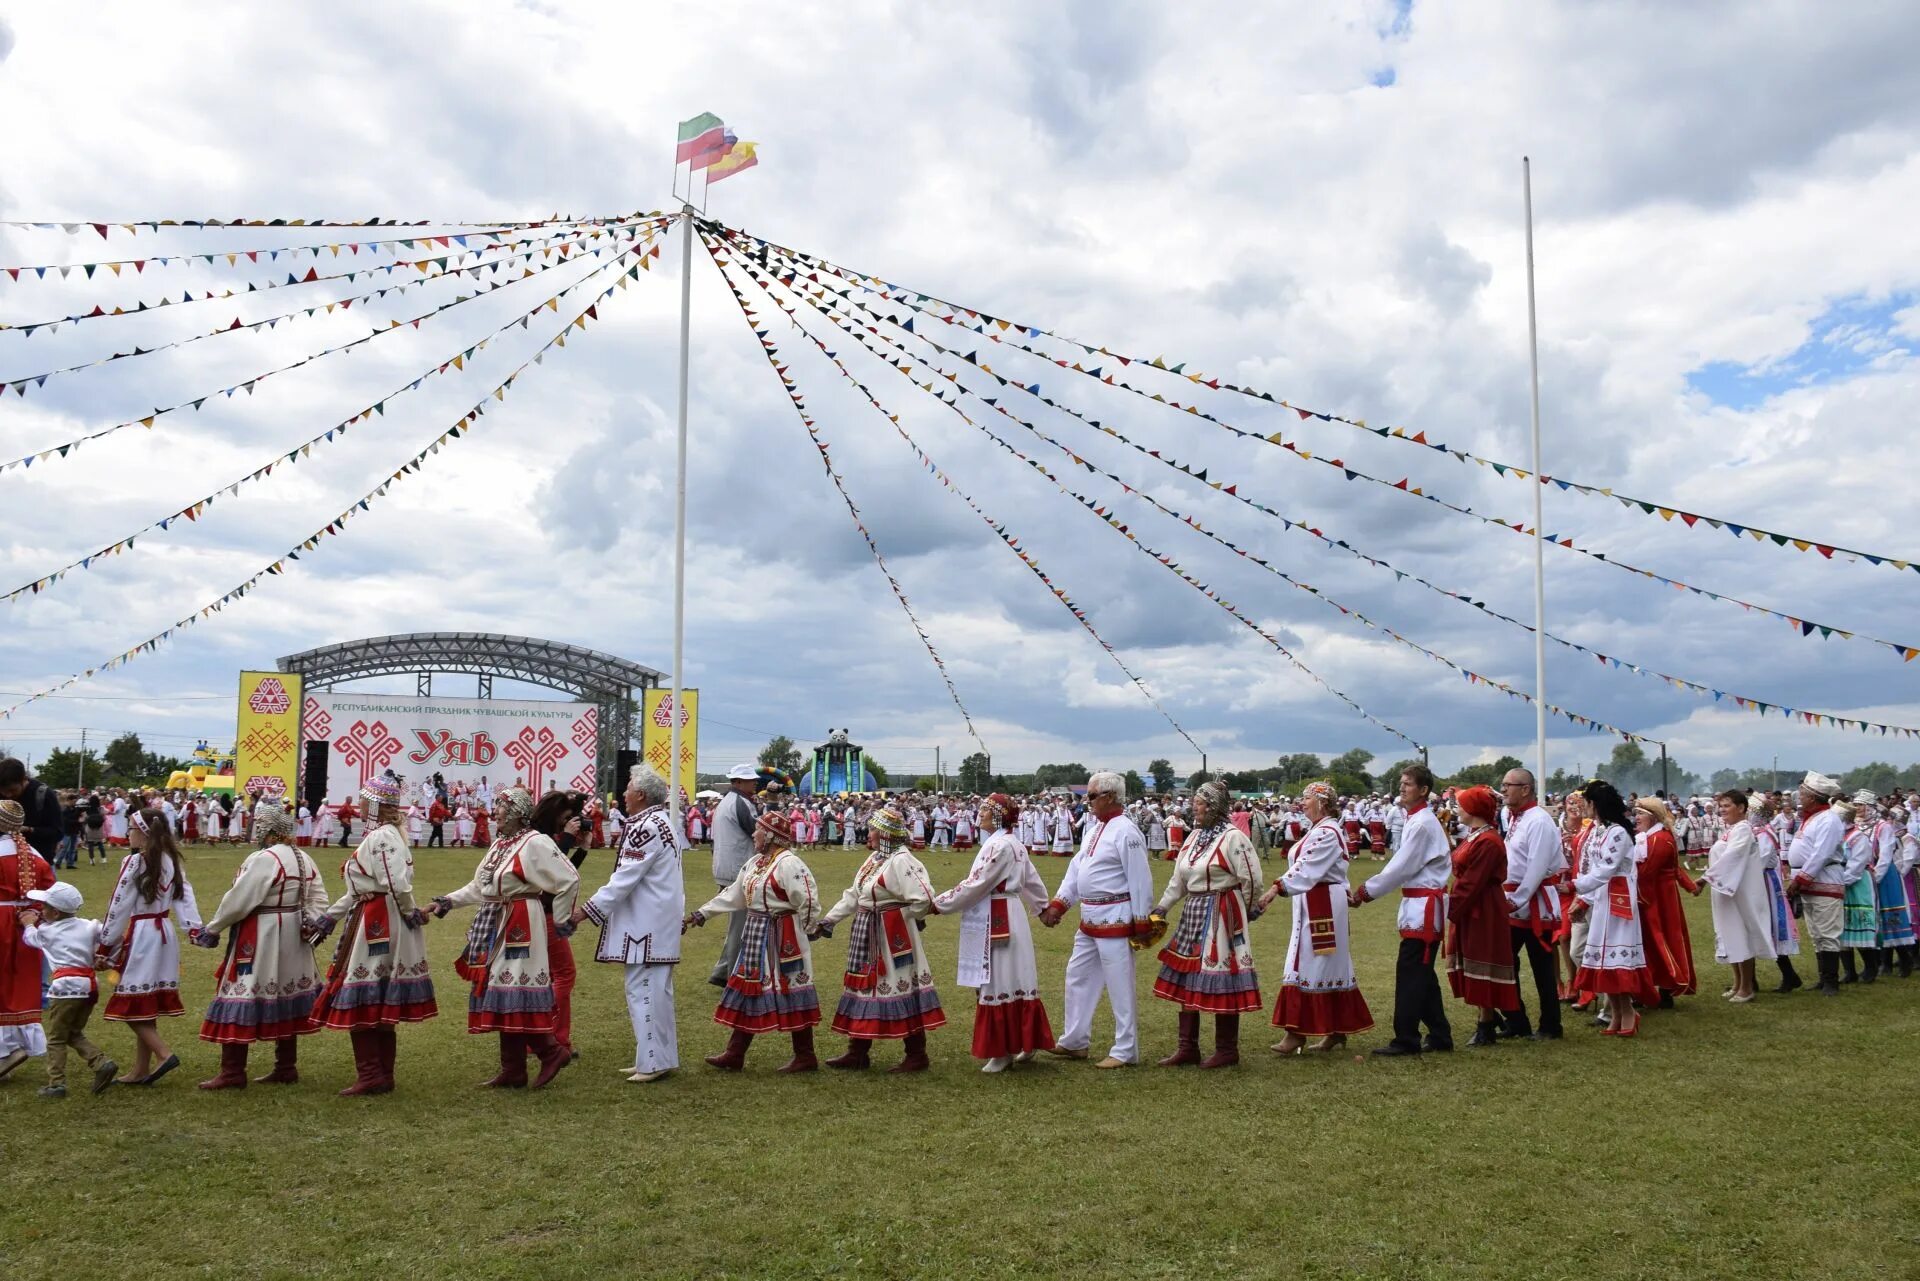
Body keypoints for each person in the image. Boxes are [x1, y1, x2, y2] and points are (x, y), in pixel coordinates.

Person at [420, 787, 579, 1089]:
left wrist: (560, 919)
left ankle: (551, 1052)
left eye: (501, 808)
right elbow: (480, 887)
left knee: (515, 987)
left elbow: (568, 878)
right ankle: (514, 1070)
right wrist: (444, 902)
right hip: (499, 920)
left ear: (519, 813)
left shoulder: (536, 843)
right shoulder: (501, 844)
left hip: (521, 920)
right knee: (502, 989)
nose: (496, 813)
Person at [307, 774, 437, 1097]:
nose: (361, 803)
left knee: (365, 993)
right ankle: (380, 1074)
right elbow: (359, 891)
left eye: (365, 798)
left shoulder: (382, 837)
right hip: (376, 915)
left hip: (379, 922)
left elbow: (393, 883)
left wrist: (409, 912)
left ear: (376, 804)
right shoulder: (389, 835)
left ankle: (372, 1075)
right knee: (376, 997)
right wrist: (329, 918)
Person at [192, 800, 330, 1088]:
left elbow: (239, 900)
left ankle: (232, 1071)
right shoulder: (302, 857)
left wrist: (213, 928)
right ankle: (286, 1066)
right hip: (293, 935)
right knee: (284, 992)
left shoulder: (264, 859)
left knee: (242, 991)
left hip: (261, 934)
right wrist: (311, 924)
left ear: (266, 829)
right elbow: (319, 898)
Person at [685, 810, 823, 1072]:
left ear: (771, 835)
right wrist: (700, 914)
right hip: (756, 932)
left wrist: (809, 929)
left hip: (784, 935)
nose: (753, 834)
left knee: (792, 986)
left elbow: (807, 900)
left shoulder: (789, 864)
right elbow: (733, 894)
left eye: (758, 830)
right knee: (749, 987)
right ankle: (735, 1053)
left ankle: (805, 1056)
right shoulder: (756, 862)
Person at [929, 793, 1055, 1074]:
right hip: (1006, 913)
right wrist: (1042, 908)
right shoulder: (1010, 844)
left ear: (998, 815)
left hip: (999, 916)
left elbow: (977, 883)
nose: (980, 813)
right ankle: (1024, 1042)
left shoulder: (1000, 845)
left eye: (985, 809)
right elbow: (1031, 880)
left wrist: (938, 904)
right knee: (1015, 976)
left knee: (998, 979)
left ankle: (1003, 1051)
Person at [814, 806, 945, 1073]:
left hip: (891, 936)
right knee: (865, 985)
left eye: (873, 829)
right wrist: (829, 920)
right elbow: (854, 895)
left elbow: (924, 898)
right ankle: (857, 1052)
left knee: (899, 985)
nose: (869, 833)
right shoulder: (875, 859)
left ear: (886, 834)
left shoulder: (902, 860)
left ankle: (916, 1054)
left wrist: (905, 917)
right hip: (866, 931)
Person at [575, 767, 685, 1084]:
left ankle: (652, 1063)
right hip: (656, 921)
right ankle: (656, 1057)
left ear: (641, 795)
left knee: (644, 991)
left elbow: (624, 880)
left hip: (645, 926)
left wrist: (587, 910)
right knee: (655, 992)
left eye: (627, 788)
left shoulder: (646, 827)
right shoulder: (663, 822)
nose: (623, 794)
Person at [1146, 780, 1262, 1069]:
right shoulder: (1194, 836)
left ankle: (1227, 1050)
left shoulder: (1234, 838)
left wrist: (1244, 912)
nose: (1193, 807)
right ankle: (1187, 1048)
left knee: (1221, 975)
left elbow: (1252, 879)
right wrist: (1162, 906)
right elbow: (1179, 879)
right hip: (1194, 910)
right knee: (1188, 975)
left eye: (1198, 803)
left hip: (1222, 910)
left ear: (1212, 806)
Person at [1040, 771, 1153, 1069]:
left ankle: (1126, 1048)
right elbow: (1076, 873)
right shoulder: (1094, 830)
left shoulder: (1126, 831)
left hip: (1116, 918)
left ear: (1109, 796)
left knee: (1120, 984)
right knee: (1077, 975)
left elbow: (1140, 879)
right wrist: (1058, 905)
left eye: (1090, 796)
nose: (1085, 802)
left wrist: (1142, 921)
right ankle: (1075, 1040)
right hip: (1089, 918)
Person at [1257, 780, 1374, 1054]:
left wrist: (1277, 887)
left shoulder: (1327, 832)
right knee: (1322, 963)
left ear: (1321, 802)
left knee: (1309, 963)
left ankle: (1297, 1033)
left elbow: (1307, 866)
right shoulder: (1320, 830)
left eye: (1307, 798)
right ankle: (1335, 1030)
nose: (1302, 802)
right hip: (1314, 900)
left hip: (1322, 902)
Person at [1352, 764, 1452, 1056]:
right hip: (1418, 905)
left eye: (1408, 784)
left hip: (1424, 908)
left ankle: (1406, 1037)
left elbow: (1400, 868)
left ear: (1423, 790)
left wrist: (1364, 892)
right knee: (1421, 972)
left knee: (1411, 971)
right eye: (1401, 783)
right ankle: (1439, 1033)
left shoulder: (1421, 823)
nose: (1402, 787)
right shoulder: (1416, 820)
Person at [97, 809, 202, 1085]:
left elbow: (118, 906)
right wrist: (193, 928)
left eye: (131, 828)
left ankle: (163, 1053)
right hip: (164, 935)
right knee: (146, 1002)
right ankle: (140, 1069)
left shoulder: (134, 862)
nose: (128, 832)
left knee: (130, 1003)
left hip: (142, 934)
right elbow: (184, 897)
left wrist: (105, 945)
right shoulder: (171, 861)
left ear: (143, 833)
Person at [1570, 780, 1658, 1037]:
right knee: (1602, 959)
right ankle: (1618, 1013)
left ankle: (1627, 1011)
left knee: (1615, 959)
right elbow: (1590, 866)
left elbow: (1606, 870)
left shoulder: (1617, 832)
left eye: (1585, 802)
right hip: (1601, 899)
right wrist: (1583, 894)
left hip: (1618, 900)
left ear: (1594, 804)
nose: (1582, 807)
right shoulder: (1598, 830)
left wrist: (1575, 885)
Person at [18, 882, 117, 1098]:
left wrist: (28, 924)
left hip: (65, 989)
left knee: (55, 1038)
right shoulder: (90, 926)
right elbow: (112, 939)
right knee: (72, 1032)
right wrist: (107, 960)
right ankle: (101, 1063)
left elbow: (30, 939)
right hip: (89, 987)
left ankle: (56, 1084)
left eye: (44, 907)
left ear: (54, 912)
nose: (41, 911)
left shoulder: (45, 931)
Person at [1444, 786, 1519, 1046]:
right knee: (1472, 956)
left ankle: (1486, 1021)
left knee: (1482, 957)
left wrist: (1451, 907)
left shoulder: (1488, 841)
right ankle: (1485, 1015)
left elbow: (1473, 881)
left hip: (1482, 906)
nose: (1457, 809)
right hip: (1473, 903)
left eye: (1462, 804)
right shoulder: (1476, 836)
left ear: (1474, 809)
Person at [1499, 767, 1566, 1042]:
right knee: (1505, 961)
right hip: (1515, 901)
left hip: (1534, 902)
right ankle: (1516, 1019)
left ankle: (1551, 1025)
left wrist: (1516, 899)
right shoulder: (1513, 817)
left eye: (1508, 785)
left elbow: (1537, 867)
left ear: (1525, 789)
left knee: (1542, 966)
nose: (1503, 790)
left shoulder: (1538, 821)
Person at [1699, 790, 1773, 1003]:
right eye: (1720, 806)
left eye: (1727, 805)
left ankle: (1747, 986)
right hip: (1726, 890)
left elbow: (1731, 858)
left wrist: (1704, 879)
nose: (1722, 810)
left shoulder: (1743, 830)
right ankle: (1737, 982)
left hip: (1739, 892)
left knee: (1741, 934)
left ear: (1741, 808)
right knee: (1730, 934)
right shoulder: (1730, 830)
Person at [0, 800, 56, 1081]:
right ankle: (11, 1047)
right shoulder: (32, 853)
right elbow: (48, 891)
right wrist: (33, 914)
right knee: (18, 985)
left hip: (1, 920)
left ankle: (4, 1052)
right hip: (25, 926)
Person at [1786, 773, 1850, 996]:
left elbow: (1820, 854)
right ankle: (1824, 978)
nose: (1800, 796)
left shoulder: (1828, 819)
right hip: (1810, 882)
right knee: (1815, 932)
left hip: (1824, 881)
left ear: (1813, 797)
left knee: (1828, 931)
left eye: (1803, 793)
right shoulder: (1811, 817)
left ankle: (1832, 981)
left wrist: (1800, 879)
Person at [1634, 797, 1699, 1005]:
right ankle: (1662, 988)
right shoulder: (1657, 836)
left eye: (1640, 814)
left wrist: (1634, 894)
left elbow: (1645, 873)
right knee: (1660, 940)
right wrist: (1691, 887)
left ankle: (1666, 987)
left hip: (1656, 897)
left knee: (1658, 940)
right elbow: (1676, 869)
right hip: (1661, 895)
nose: (1636, 818)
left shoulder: (1659, 840)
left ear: (1652, 817)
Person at [706, 765, 761, 987]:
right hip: (739, 869)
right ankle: (733, 976)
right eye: (750, 780)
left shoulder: (728, 801)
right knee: (742, 925)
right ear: (737, 782)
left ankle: (722, 971)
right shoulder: (740, 803)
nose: (754, 783)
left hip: (728, 867)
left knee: (738, 923)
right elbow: (759, 832)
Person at [1746, 792, 1802, 993]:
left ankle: (1789, 976)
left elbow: (1759, 862)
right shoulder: (1755, 832)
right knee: (1752, 929)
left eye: (1749, 812)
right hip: (1757, 881)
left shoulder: (1765, 835)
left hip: (1764, 883)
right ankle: (1750, 980)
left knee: (1770, 928)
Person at [1837, 792, 1881, 983]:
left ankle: (1871, 968)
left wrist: (1841, 881)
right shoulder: (1839, 835)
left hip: (1857, 883)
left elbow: (1857, 864)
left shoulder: (1857, 837)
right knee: (1841, 926)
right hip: (1840, 881)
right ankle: (1849, 971)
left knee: (1860, 923)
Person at [1872, 803, 1916, 978]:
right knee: (1880, 918)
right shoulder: (1872, 830)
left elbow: (1896, 858)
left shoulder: (1888, 831)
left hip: (1888, 875)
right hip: (1876, 872)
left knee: (1892, 917)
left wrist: (1881, 875)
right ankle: (1885, 962)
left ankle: (1905, 959)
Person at [0, 757, 64, 865]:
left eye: (12, 790)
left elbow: (57, 832)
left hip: (39, 864)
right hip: (6, 865)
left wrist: (30, 830)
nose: (8, 795)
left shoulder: (44, 795)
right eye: (3, 791)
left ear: (24, 779)